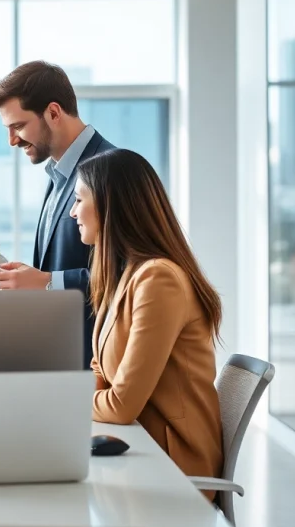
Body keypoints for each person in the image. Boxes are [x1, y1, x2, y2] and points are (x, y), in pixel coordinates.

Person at [71, 149, 223, 491]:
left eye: (79, 200)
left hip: (174, 465)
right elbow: (101, 368)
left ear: (111, 204)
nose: (73, 212)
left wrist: (64, 399)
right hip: (139, 446)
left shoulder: (159, 279)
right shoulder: (128, 273)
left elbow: (122, 405)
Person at [0, 60, 116, 367]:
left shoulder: (109, 169)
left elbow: (126, 275)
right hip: (65, 360)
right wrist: (31, 279)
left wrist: (44, 280)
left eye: (18, 126)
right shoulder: (59, 174)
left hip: (97, 369)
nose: (12, 140)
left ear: (53, 113)